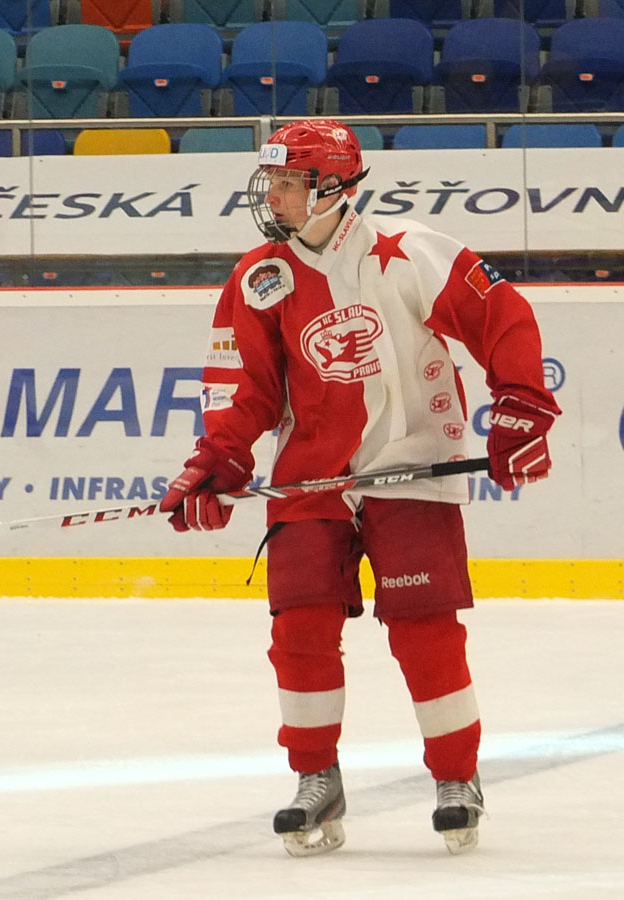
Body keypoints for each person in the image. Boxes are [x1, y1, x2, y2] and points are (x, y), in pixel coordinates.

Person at [158, 120, 560, 858]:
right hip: (311, 478)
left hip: (414, 466)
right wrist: (219, 459)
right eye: (271, 182)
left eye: (289, 182)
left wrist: (522, 404)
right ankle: (316, 777)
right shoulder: (259, 278)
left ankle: (456, 778)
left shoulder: (408, 251)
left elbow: (503, 318)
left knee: (424, 628)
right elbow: (243, 388)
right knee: (300, 628)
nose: (273, 196)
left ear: (334, 187)